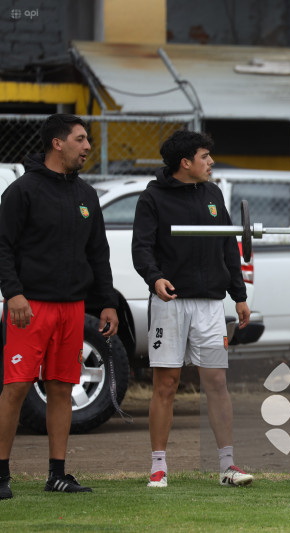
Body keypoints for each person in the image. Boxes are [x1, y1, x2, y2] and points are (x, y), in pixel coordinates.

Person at [0, 114, 119, 499]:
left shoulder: (86, 195)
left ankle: (57, 474)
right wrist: (13, 292)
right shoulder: (22, 191)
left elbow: (98, 254)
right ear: (57, 142)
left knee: (61, 389)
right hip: (29, 307)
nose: (87, 147)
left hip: (73, 309)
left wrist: (107, 303)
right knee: (16, 388)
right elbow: (2, 246)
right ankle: (2, 475)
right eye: (81, 139)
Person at [131, 130, 253, 489]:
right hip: (170, 306)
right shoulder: (152, 198)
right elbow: (142, 248)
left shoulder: (213, 194)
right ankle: (158, 467)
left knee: (216, 382)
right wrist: (155, 279)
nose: (211, 162)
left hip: (211, 306)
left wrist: (239, 294)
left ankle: (228, 467)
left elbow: (229, 244)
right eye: (204, 156)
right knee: (166, 385)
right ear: (185, 163)